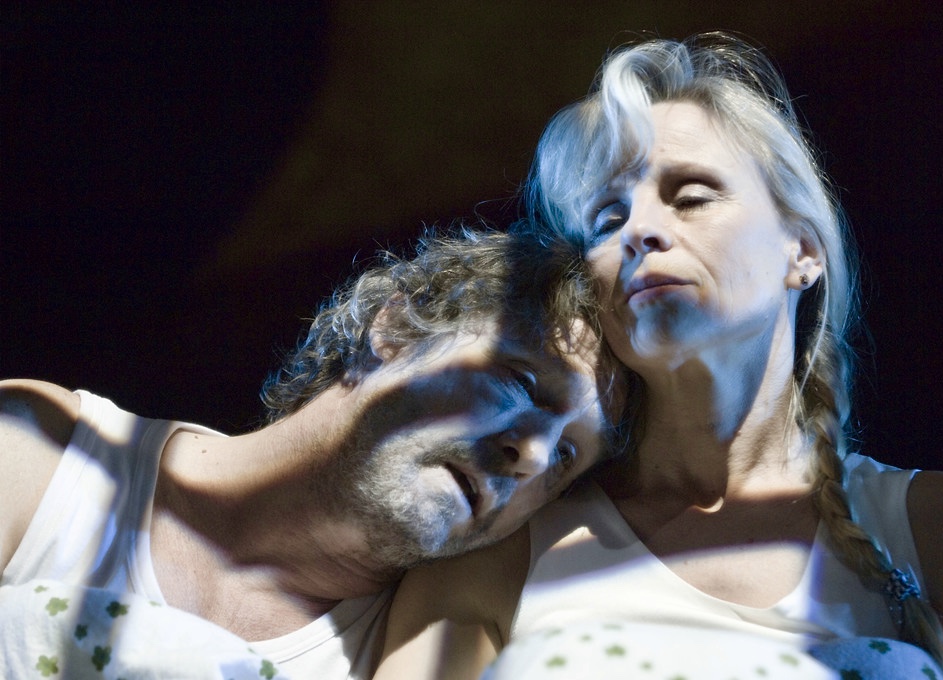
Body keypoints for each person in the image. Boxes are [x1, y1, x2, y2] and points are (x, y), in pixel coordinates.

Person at [373, 34, 943, 679]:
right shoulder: (499, 551)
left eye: (691, 196)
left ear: (802, 251)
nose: (640, 230)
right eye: (607, 219)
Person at [0, 227, 626, 679]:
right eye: (522, 383)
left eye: (566, 458)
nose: (533, 455)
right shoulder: (41, 454)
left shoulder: (414, 659)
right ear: (398, 329)